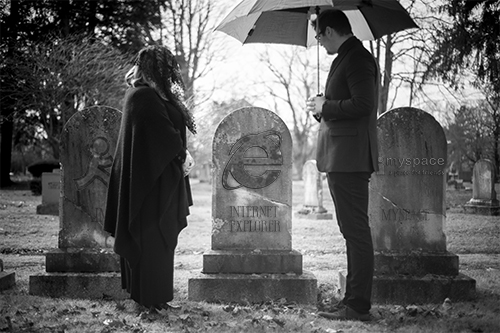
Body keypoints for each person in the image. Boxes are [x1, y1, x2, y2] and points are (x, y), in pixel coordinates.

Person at [104, 45, 196, 311]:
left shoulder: (157, 95)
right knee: (150, 240)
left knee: (162, 242)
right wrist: (182, 155)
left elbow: (170, 127)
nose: (170, 72)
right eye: (165, 67)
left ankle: (158, 299)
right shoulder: (141, 96)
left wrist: (182, 155)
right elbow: (163, 133)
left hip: (162, 180)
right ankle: (147, 299)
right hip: (147, 185)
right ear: (153, 69)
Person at [306, 9, 379, 321]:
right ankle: (351, 299)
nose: (319, 42)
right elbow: (344, 104)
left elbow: (365, 104)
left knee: (356, 232)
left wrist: (328, 106)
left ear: (331, 30)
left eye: (320, 35)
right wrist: (321, 108)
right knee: (351, 231)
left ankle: (358, 305)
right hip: (340, 156)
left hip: (350, 159)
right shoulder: (345, 57)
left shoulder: (358, 58)